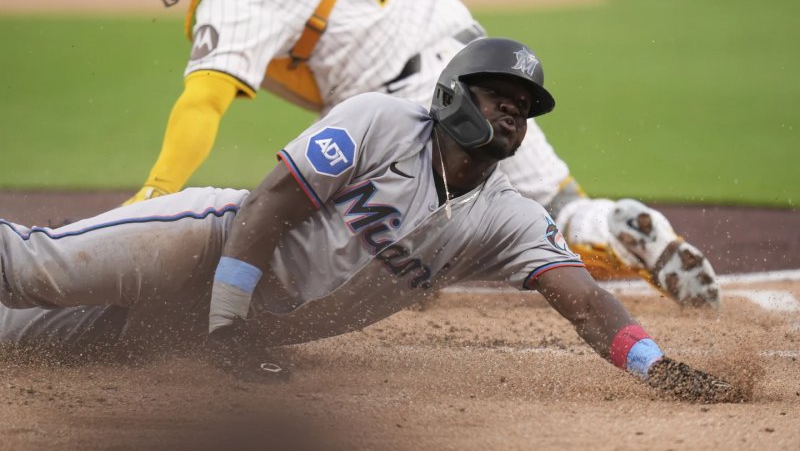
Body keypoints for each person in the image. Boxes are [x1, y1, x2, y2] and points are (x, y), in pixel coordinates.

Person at [0, 38, 738, 402]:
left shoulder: (506, 218)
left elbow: (585, 301)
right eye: (497, 95)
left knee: (44, 345)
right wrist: (228, 323)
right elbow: (269, 204)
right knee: (37, 271)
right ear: (452, 93)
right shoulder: (382, 120)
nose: (513, 111)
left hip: (242, 316)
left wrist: (658, 368)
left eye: (523, 107)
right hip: (207, 244)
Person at [116, 0, 720, 308]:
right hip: (481, 68)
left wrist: (155, 190)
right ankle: (611, 223)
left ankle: (232, 313)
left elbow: (204, 100)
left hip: (412, 110)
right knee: (554, 214)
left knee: (310, 225)